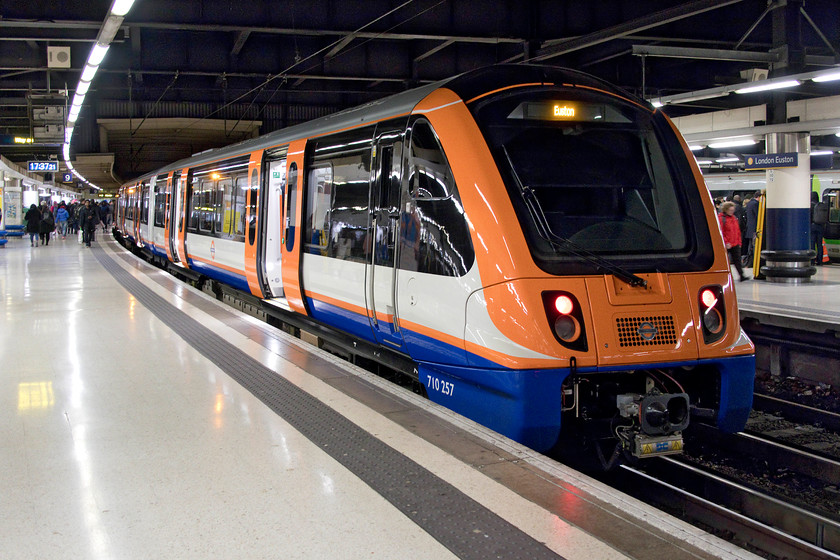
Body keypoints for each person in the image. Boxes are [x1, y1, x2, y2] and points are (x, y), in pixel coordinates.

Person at [719, 201, 749, 281]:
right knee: (725, 261)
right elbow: (721, 231)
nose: (732, 212)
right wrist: (725, 242)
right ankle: (725, 276)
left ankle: (741, 275)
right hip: (727, 243)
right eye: (730, 210)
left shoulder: (734, 218)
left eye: (733, 210)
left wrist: (739, 242)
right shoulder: (722, 219)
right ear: (726, 210)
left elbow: (737, 231)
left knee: (737, 261)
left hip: (735, 243)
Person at [743, 191, 760, 265]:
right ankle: (753, 262)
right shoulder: (756, 204)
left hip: (749, 228)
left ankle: (748, 262)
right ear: (759, 197)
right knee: (754, 246)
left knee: (750, 246)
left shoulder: (749, 203)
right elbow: (758, 216)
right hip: (754, 229)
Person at [811, 191, 826, 266]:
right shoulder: (820, 205)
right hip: (820, 227)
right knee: (820, 244)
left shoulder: (811, 205)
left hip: (812, 226)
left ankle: (812, 261)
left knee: (812, 244)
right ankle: (820, 261)